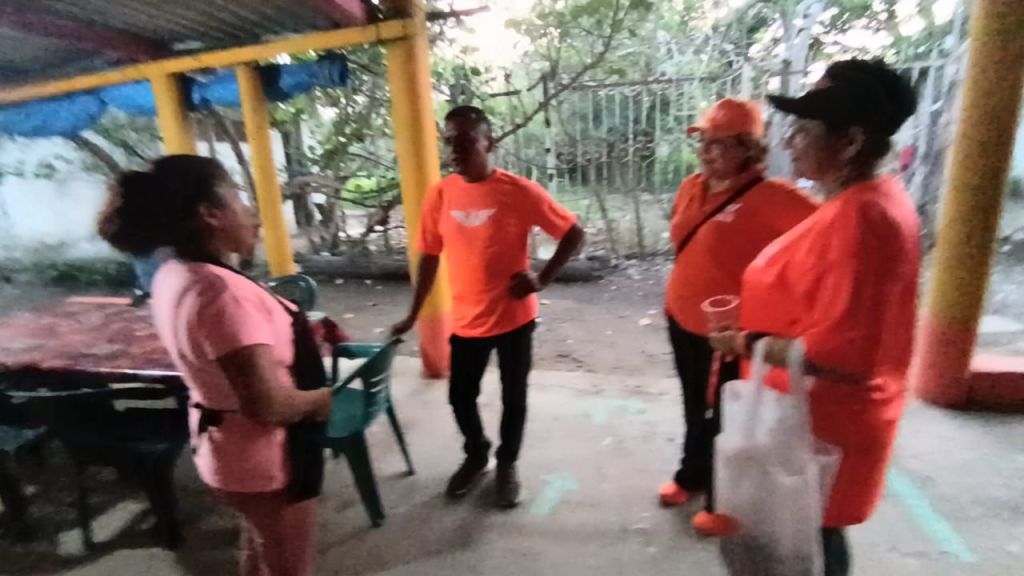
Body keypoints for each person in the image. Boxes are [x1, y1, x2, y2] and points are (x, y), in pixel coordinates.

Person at [709, 59, 920, 575]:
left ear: (850, 142)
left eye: (804, 130)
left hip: (821, 422)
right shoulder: (861, 201)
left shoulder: (864, 217)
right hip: (810, 414)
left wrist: (743, 342)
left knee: (809, 542)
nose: (790, 142)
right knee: (812, 535)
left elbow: (840, 354)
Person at [98, 155, 331, 576]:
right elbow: (268, 405)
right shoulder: (223, 294)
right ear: (210, 213)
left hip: (228, 450)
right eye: (237, 197)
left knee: (259, 548)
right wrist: (323, 399)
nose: (251, 212)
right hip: (267, 460)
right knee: (287, 567)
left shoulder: (175, 275)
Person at [391, 105, 585, 508]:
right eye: (449, 142)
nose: (455, 150)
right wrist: (413, 313)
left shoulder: (519, 191)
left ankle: (507, 464)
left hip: (514, 320)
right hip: (466, 322)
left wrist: (542, 278)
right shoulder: (440, 194)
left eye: (465, 141)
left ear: (488, 143)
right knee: (460, 397)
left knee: (514, 398)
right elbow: (429, 255)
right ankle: (477, 453)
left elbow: (573, 233)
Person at [659, 98, 817, 535]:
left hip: (727, 334)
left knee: (724, 416)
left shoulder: (774, 198)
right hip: (681, 317)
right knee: (695, 405)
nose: (708, 152)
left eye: (721, 144)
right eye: (704, 142)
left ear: (749, 149)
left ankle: (723, 500)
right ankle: (692, 475)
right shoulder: (692, 186)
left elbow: (826, 242)